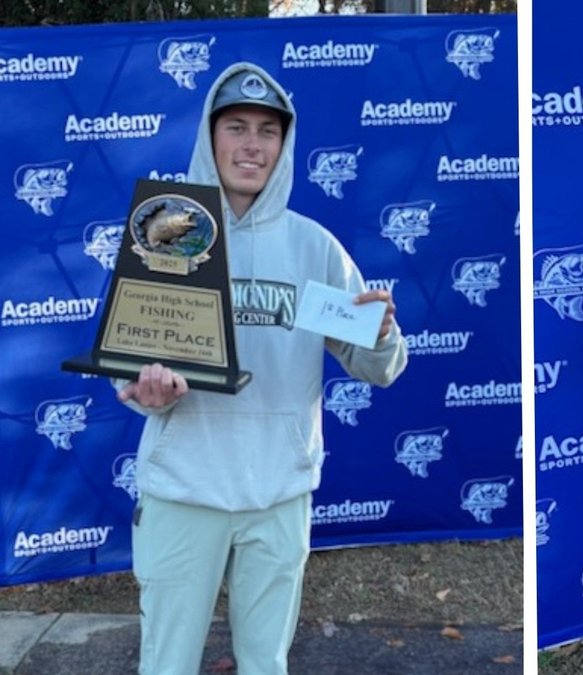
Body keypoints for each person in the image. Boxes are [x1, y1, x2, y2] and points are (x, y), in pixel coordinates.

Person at [114, 62, 408, 674]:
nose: (252, 145)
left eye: (268, 131)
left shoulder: (313, 247)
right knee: (166, 664)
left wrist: (381, 334)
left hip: (278, 493)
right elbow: (127, 363)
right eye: (237, 127)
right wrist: (146, 389)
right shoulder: (164, 235)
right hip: (184, 489)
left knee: (265, 664)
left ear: (284, 144)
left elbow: (376, 366)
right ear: (209, 136)